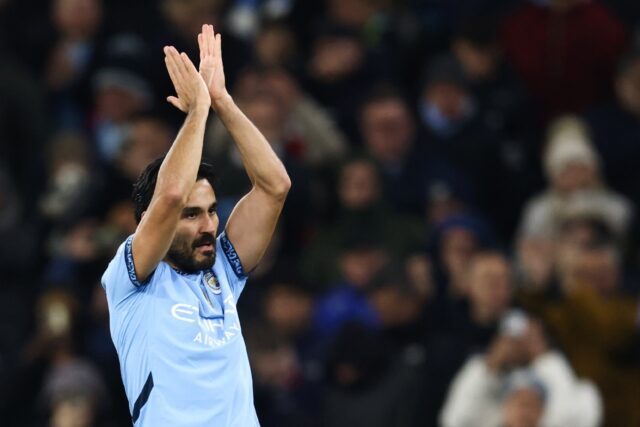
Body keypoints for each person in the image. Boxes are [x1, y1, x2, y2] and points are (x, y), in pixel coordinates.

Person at [101, 25, 291, 426]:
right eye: (191, 215)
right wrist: (197, 112)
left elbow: (275, 186)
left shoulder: (222, 267)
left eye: (210, 210)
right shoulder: (130, 278)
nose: (207, 225)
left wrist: (222, 102)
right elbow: (169, 196)